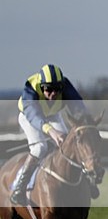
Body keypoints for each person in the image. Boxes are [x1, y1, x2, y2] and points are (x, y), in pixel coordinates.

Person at [11, 64, 89, 205]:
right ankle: (19, 188)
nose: (53, 93)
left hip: (52, 114)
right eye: (48, 89)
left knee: (69, 144)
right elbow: (34, 116)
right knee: (40, 148)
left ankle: (86, 181)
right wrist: (52, 132)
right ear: (41, 87)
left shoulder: (65, 85)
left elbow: (79, 107)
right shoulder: (31, 87)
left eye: (57, 89)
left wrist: (86, 123)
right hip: (30, 117)